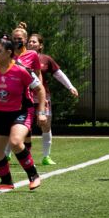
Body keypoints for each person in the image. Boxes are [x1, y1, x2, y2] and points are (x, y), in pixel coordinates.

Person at [0, 38, 46, 191]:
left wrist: (41, 112)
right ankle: (6, 181)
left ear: (9, 53)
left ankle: (33, 175)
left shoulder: (21, 70)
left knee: (15, 142)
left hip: (22, 111)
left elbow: (40, 89)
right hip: (0, 113)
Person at [26, 33, 80, 165]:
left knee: (46, 125)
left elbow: (58, 74)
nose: (31, 44)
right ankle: (9, 153)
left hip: (43, 97)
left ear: (40, 45)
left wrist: (70, 86)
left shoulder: (46, 59)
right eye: (29, 41)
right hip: (25, 96)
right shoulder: (21, 57)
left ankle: (46, 157)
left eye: (34, 42)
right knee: (21, 126)